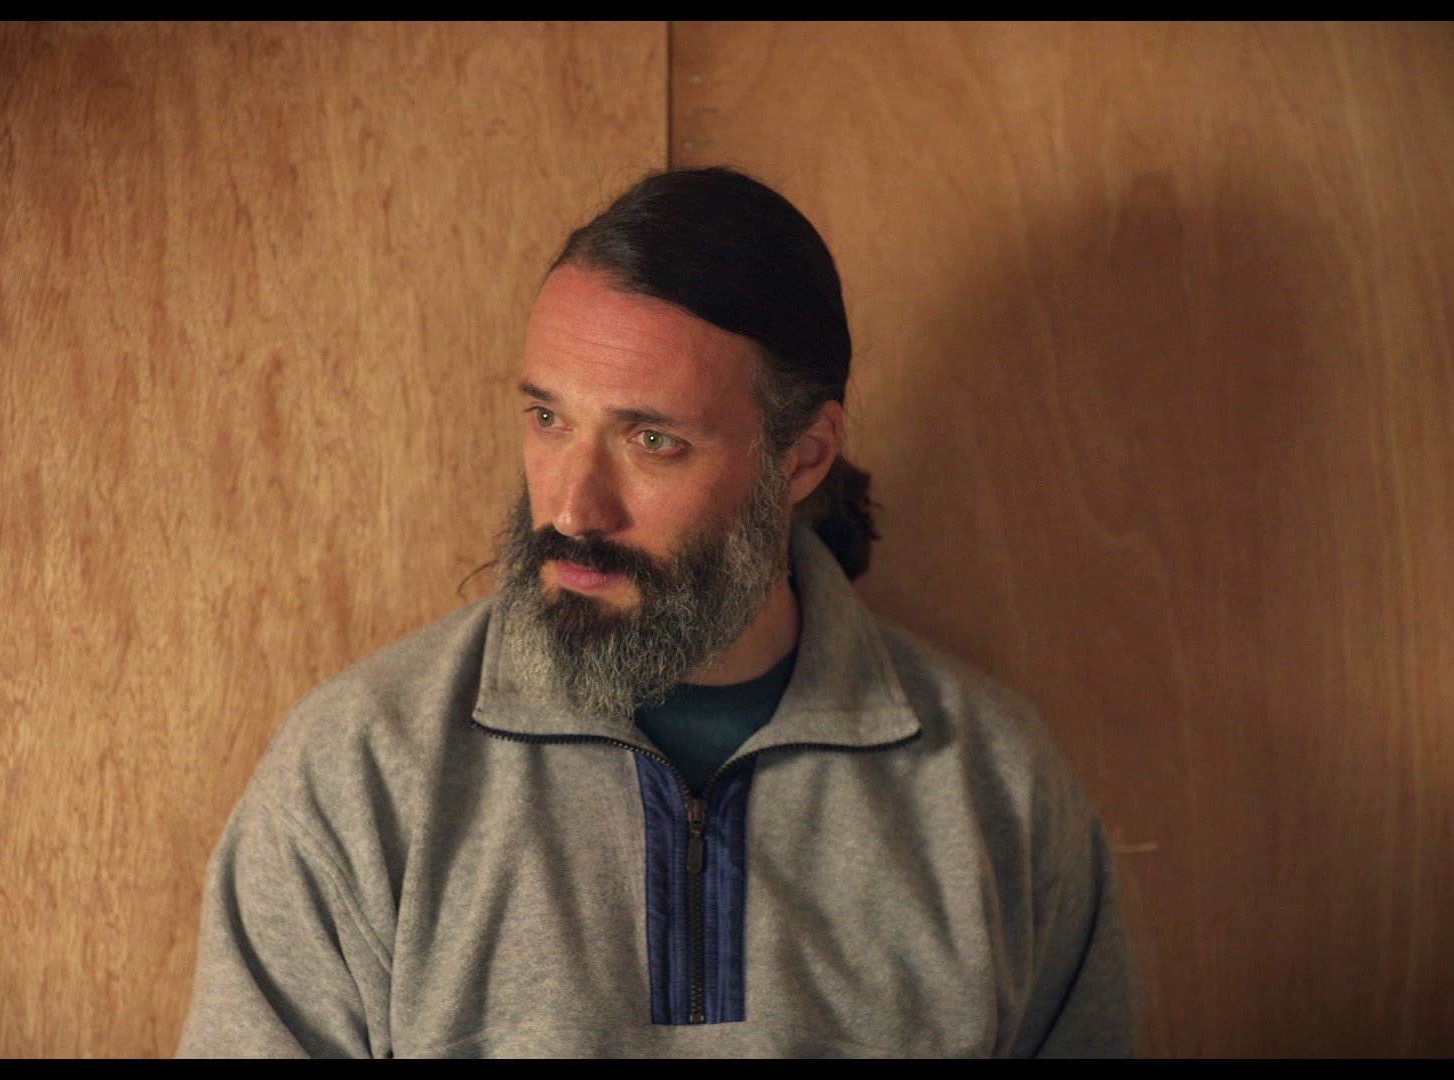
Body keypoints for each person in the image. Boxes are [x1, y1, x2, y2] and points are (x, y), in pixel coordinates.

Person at [176, 167, 1141, 1058]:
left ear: (803, 457)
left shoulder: (996, 792)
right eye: (548, 419)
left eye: (652, 440)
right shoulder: (362, 774)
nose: (571, 509)